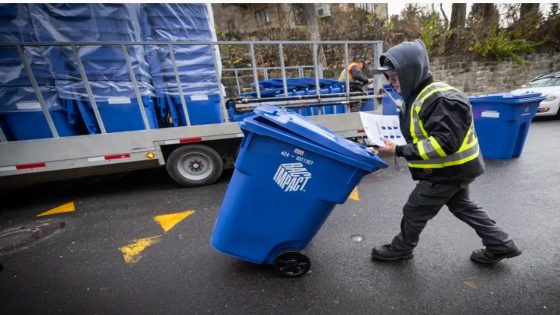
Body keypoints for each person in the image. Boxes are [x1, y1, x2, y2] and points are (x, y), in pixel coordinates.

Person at [369, 39, 521, 264]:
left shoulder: (438, 99)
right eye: (389, 78)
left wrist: (399, 150)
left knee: (415, 209)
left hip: (448, 171)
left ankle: (401, 248)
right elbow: (424, 133)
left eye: (395, 76)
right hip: (454, 169)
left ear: (412, 72)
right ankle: (501, 245)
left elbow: (444, 143)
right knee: (463, 207)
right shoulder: (419, 95)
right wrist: (394, 144)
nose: (392, 83)